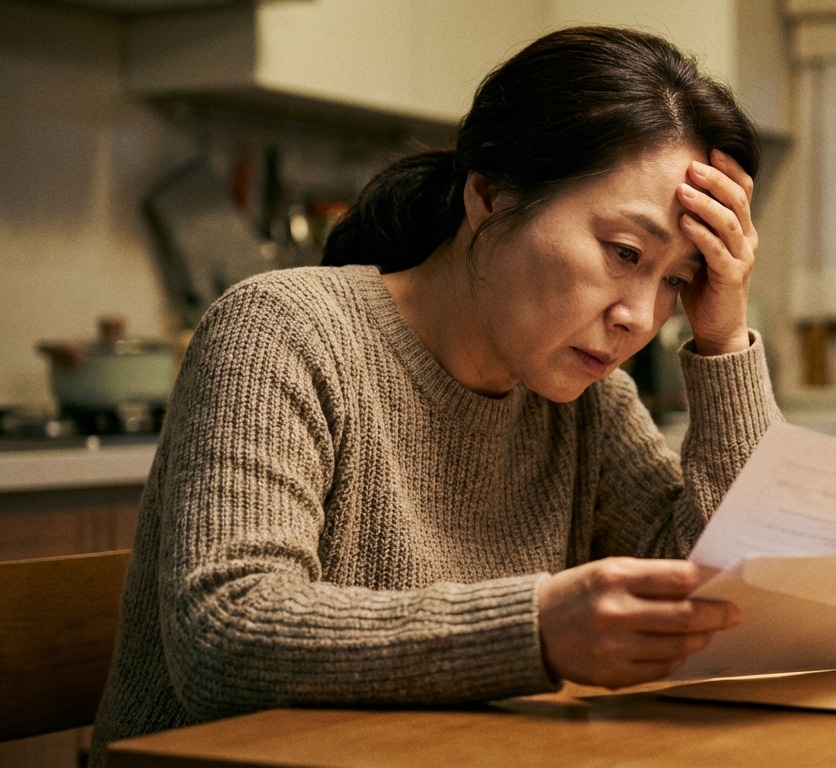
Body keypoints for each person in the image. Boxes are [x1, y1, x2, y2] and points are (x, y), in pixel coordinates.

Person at [90, 25, 782, 762]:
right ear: (489, 193)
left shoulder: (587, 401)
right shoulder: (284, 329)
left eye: (677, 279)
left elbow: (722, 594)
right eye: (623, 253)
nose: (640, 318)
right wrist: (535, 629)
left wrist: (723, 340)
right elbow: (224, 637)